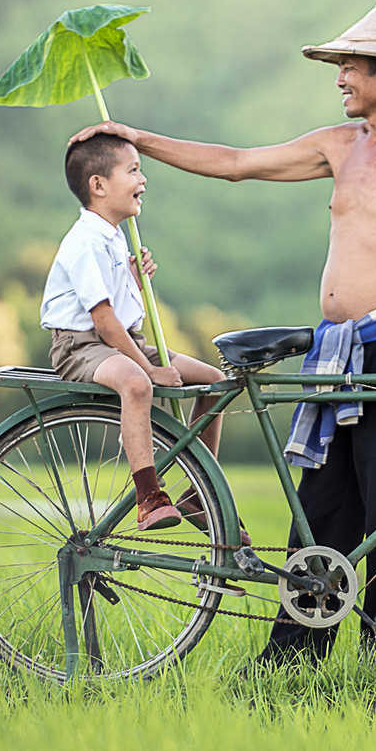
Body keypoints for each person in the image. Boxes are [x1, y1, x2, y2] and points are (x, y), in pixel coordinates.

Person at [71, 0, 376, 663]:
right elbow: (238, 162)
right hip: (332, 350)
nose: (338, 79)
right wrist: (138, 139)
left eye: (349, 67)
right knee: (323, 507)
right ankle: (292, 661)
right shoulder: (339, 145)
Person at [41, 133, 227, 531]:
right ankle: (148, 496)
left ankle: (197, 492)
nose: (143, 180)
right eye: (133, 170)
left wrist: (134, 281)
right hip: (81, 345)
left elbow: (120, 312)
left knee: (215, 382)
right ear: (98, 185)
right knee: (138, 384)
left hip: (123, 342)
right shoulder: (85, 241)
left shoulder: (112, 234)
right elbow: (104, 320)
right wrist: (149, 368)